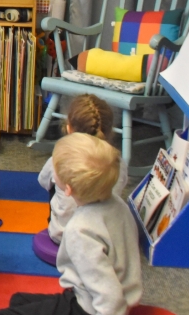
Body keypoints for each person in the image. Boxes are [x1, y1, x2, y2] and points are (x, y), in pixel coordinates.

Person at [0, 133, 142, 315]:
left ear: (67, 189)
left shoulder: (81, 229)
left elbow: (109, 297)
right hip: (103, 299)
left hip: (89, 311)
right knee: (18, 301)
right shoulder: (119, 204)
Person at [37, 94, 128, 242]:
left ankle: (63, 218)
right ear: (109, 130)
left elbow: (43, 181)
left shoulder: (57, 160)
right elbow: (121, 185)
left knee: (54, 183)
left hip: (62, 234)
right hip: (106, 235)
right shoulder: (118, 163)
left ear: (68, 128)